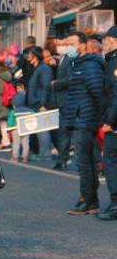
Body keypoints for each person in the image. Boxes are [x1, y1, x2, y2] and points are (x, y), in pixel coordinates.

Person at [64, 31, 106, 215]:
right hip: (80, 118)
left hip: (85, 119)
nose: (69, 47)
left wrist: (98, 118)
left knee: (84, 161)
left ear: (83, 45)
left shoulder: (89, 65)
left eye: (72, 43)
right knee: (86, 161)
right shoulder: (77, 64)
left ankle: (87, 199)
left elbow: (98, 92)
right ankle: (91, 200)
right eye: (67, 43)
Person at [97, 26, 117, 220]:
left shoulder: (114, 61)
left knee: (110, 161)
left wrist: (110, 121)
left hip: (115, 123)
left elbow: (115, 92)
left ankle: (115, 205)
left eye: (106, 39)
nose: (104, 43)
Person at [52, 36, 75, 169]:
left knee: (65, 131)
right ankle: (63, 158)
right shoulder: (61, 59)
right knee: (63, 131)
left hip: (67, 99)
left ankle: (63, 159)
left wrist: (56, 83)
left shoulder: (69, 59)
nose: (61, 46)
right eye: (59, 44)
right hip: (62, 100)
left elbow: (69, 79)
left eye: (64, 44)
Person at [7, 80, 31, 162]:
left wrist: (8, 129)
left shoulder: (14, 111)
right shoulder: (29, 110)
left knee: (16, 143)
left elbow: (10, 121)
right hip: (26, 128)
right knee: (25, 143)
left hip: (15, 129)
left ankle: (15, 157)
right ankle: (25, 157)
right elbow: (34, 117)